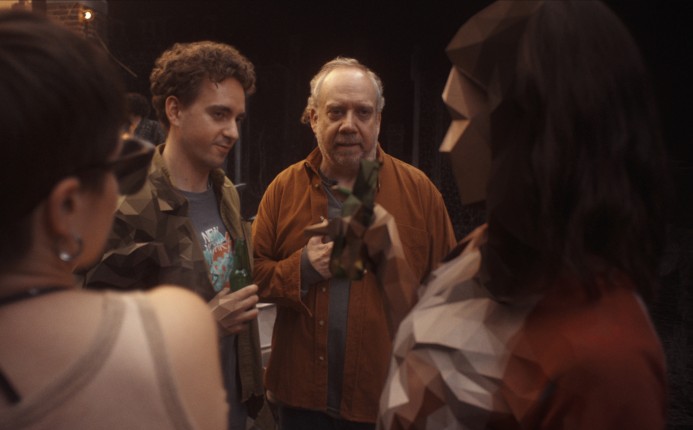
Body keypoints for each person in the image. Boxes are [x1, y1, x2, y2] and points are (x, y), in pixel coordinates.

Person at [378, 1, 669, 429]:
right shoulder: (481, 248)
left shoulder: (608, 362)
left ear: (526, 128)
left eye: (460, 118)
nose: (446, 144)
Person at [0, 10, 227, 429]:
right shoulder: (171, 329)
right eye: (117, 163)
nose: (121, 183)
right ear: (66, 208)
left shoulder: (224, 191)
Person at [252, 57, 457, 429]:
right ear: (314, 118)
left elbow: (449, 298)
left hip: (384, 401)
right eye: (336, 112)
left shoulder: (419, 193)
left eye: (363, 112)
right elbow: (252, 275)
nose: (349, 124)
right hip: (300, 402)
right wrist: (301, 269)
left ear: (378, 120)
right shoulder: (284, 189)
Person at [84, 41, 274, 429]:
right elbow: (96, 346)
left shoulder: (226, 193)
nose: (233, 132)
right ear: (174, 110)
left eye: (237, 118)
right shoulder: (123, 205)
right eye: (219, 114)